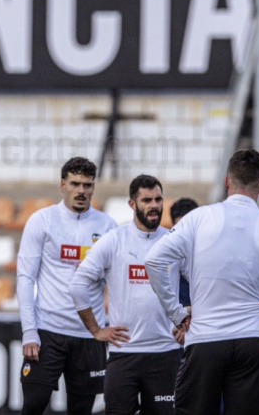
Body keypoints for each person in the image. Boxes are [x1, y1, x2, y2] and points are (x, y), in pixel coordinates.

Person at [145, 149, 259, 414]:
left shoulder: (199, 218)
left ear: (226, 182)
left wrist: (175, 312)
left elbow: (153, 260)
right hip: (251, 339)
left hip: (206, 338)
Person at [69, 174, 179, 415]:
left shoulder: (174, 242)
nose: (154, 206)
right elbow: (77, 285)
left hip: (166, 354)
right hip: (123, 356)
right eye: (147, 200)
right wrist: (96, 330)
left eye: (158, 199)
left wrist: (189, 319)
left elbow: (200, 283)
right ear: (132, 204)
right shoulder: (113, 241)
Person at [17, 157, 117, 415]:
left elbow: (116, 283)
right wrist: (29, 330)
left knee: (81, 410)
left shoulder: (107, 226)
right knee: (33, 404)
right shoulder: (42, 220)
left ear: (94, 187)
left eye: (87, 184)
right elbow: (25, 277)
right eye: (75, 183)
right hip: (47, 331)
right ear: (63, 185)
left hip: (89, 336)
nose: (81, 190)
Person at [169, 198, 199, 347]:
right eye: (178, 227)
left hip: (202, 334)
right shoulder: (166, 258)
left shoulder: (210, 257)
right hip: (172, 335)